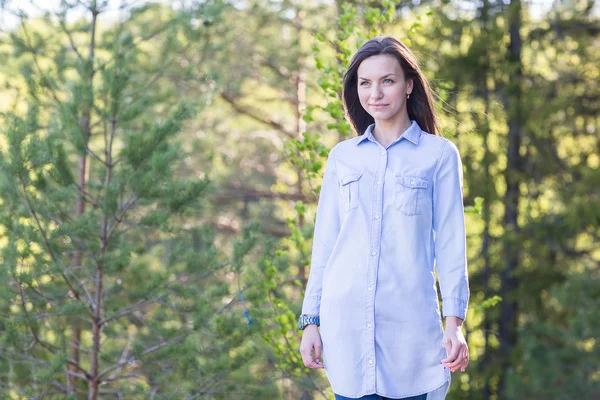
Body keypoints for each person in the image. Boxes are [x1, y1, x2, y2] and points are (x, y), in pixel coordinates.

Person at [297, 36, 470, 400]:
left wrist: (454, 324)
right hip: (346, 336)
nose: (375, 93)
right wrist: (310, 320)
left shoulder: (438, 155)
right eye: (365, 83)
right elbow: (326, 244)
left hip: (412, 341)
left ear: (409, 85)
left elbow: (452, 244)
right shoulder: (342, 158)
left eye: (387, 81)